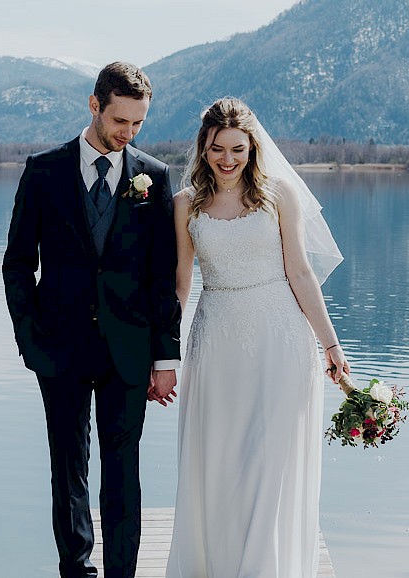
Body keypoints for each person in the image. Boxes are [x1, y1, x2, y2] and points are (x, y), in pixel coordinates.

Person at [2, 62, 181, 578]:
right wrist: (28, 337)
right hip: (58, 347)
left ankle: (122, 572)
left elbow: (161, 275)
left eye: (138, 124)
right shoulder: (44, 171)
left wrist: (165, 355)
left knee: (124, 471)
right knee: (69, 469)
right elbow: (17, 262)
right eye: (120, 120)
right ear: (94, 105)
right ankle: (76, 570)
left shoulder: (155, 176)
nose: (128, 133)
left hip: (129, 349)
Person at [163, 97, 349, 577]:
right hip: (216, 338)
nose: (228, 159)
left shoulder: (278, 195)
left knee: (271, 461)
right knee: (222, 458)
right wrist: (166, 354)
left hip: (280, 336)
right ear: (203, 148)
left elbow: (301, 273)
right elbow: (182, 282)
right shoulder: (185, 205)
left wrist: (330, 343)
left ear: (253, 148)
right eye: (218, 148)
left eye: (238, 149)